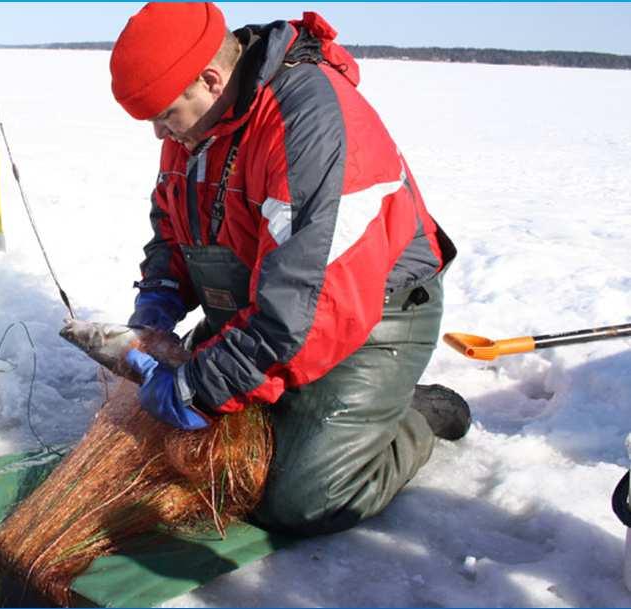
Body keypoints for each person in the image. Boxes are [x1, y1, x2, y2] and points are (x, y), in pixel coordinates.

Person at [108, 2, 469, 536]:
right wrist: (160, 294)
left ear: (209, 79)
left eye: (164, 116)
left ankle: (415, 415)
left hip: (369, 314)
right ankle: (343, 413)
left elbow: (305, 305)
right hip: (268, 308)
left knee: (302, 498)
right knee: (184, 452)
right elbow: (172, 224)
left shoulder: (308, 125)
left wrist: (202, 386)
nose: (160, 135)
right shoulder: (199, 125)